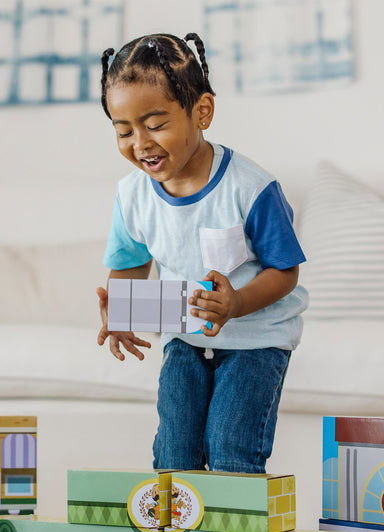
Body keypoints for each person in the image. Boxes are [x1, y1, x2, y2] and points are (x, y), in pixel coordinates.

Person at [96, 33, 308, 474]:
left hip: (255, 341)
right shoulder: (131, 195)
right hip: (183, 338)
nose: (141, 142)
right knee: (174, 457)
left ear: (202, 112)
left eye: (155, 124)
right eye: (124, 131)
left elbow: (285, 272)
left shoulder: (251, 187)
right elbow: (132, 264)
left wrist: (237, 303)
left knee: (231, 450)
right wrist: (121, 312)